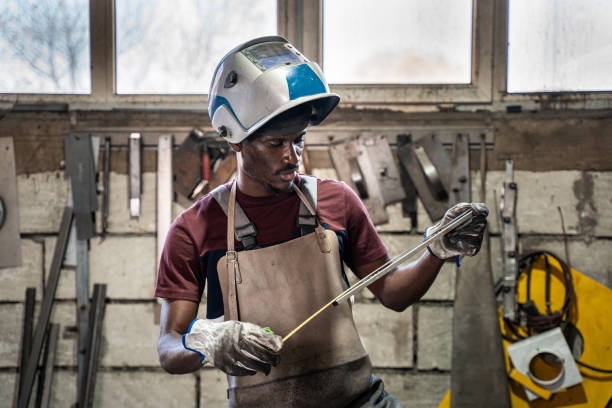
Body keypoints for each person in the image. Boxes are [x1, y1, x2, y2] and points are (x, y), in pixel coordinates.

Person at [155, 36, 489, 408]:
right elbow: (169, 346)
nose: (292, 156)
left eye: (299, 140)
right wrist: (206, 344)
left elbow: (393, 293)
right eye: (275, 143)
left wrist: (436, 251)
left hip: (360, 401)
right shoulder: (193, 229)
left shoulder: (336, 200)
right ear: (235, 140)